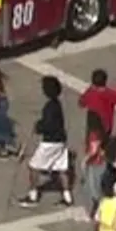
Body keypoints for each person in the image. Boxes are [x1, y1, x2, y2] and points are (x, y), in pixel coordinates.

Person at [18, 76, 73, 208]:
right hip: (61, 140)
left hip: (50, 142)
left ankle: (33, 196)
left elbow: (48, 125)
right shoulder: (57, 104)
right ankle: (67, 197)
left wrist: (39, 126)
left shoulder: (49, 107)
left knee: (33, 167)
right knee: (61, 168)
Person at [79, 111, 109, 218]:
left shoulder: (93, 134)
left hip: (94, 165)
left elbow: (94, 150)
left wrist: (84, 161)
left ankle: (97, 212)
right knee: (98, 188)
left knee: (93, 190)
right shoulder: (101, 132)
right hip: (102, 163)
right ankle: (97, 212)